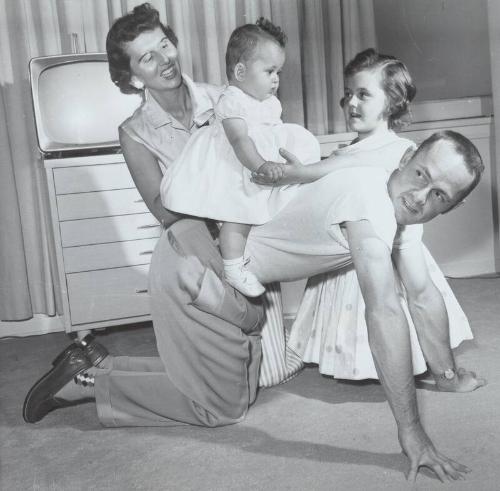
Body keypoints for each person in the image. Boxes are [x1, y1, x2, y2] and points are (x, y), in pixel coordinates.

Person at [22, 4, 485, 482]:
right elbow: (383, 309)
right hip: (197, 260)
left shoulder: (233, 97)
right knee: (219, 408)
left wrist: (445, 373)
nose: (418, 196)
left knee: (243, 384)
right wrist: (410, 431)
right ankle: (87, 383)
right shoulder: (143, 131)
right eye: (145, 58)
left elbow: (418, 292)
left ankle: (96, 360)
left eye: (437, 196)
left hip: (238, 258)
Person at [252, 48, 473, 381]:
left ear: (393, 102)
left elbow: (347, 166)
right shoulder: (352, 148)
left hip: (385, 250)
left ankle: (423, 366)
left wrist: (298, 173)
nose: (351, 103)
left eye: (363, 95)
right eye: (348, 94)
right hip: (348, 248)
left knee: (397, 300)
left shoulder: (399, 149)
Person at [160, 19, 320, 297]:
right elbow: (239, 140)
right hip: (235, 166)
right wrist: (261, 165)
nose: (276, 79)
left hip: (258, 166)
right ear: (240, 71)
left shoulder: (268, 102)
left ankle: (258, 256)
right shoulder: (232, 100)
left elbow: (272, 134)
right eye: (269, 71)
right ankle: (233, 267)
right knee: (238, 215)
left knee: (269, 210)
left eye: (278, 71)